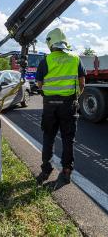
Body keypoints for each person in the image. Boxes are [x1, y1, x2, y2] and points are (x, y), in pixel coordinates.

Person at [36, 28, 86, 184]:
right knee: (68, 138)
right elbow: (82, 83)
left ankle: (46, 169)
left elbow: (39, 84)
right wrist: (75, 96)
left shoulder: (46, 60)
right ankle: (66, 170)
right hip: (69, 105)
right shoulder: (75, 59)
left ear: (50, 43)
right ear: (64, 41)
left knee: (48, 137)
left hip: (50, 105)